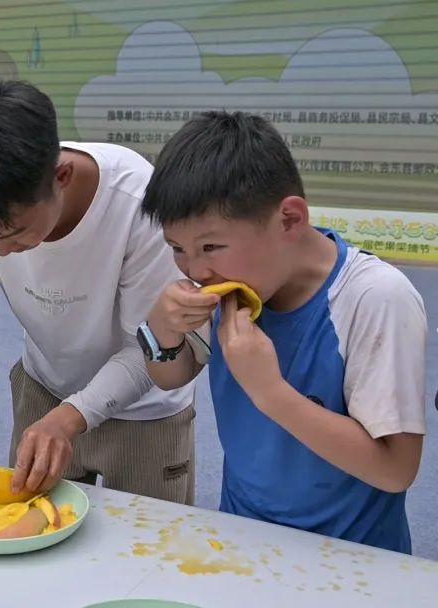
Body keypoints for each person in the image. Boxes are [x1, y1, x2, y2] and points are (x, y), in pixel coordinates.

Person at [140, 110, 426, 553]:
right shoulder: (228, 285)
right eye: (177, 249)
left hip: (353, 552)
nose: (196, 270)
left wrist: (269, 392)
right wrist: (161, 329)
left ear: (290, 219)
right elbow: (169, 376)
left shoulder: (375, 298)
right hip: (244, 532)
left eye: (211, 246)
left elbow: (395, 470)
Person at [0, 78, 196, 499]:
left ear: (61, 176)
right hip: (43, 390)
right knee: (29, 536)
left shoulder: (139, 202)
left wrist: (71, 417)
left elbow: (149, 352)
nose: (1, 251)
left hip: (147, 413)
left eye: (14, 232)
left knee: (146, 551)